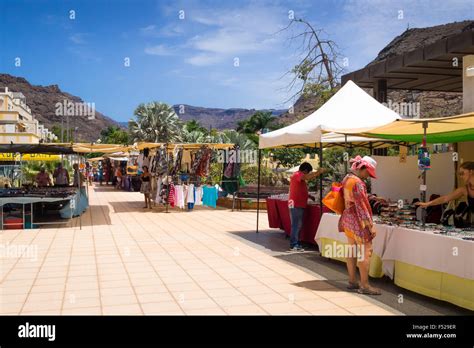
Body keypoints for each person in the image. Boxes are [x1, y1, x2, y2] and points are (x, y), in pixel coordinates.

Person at [339, 155, 381, 295]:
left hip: (348, 219)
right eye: (368, 172)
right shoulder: (358, 182)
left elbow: (351, 198)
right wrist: (370, 225)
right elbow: (361, 206)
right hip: (359, 221)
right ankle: (365, 285)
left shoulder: (347, 179)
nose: (368, 176)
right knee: (366, 252)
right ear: (362, 168)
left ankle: (352, 281)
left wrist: (370, 197)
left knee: (351, 249)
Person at [288, 162, 326, 252]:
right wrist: (318, 172)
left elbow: (299, 189)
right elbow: (307, 177)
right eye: (308, 172)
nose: (308, 174)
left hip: (297, 203)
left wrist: (309, 196)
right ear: (305, 171)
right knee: (296, 225)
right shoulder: (298, 174)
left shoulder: (298, 176)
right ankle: (293, 244)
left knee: (297, 224)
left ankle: (296, 242)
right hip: (296, 203)